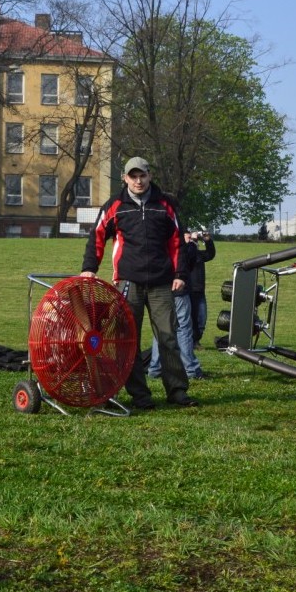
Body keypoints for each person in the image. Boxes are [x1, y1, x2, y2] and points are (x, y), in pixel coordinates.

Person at [81, 157, 198, 409]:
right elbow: (97, 236)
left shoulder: (165, 205)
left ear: (149, 175)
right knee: (128, 340)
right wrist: (89, 269)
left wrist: (180, 275)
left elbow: (177, 242)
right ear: (124, 178)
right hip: (127, 283)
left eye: (142, 175)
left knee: (168, 337)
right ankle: (140, 396)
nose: (138, 180)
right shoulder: (115, 206)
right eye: (132, 176)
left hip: (162, 283)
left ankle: (177, 392)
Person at [148, 229, 206, 379]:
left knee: (161, 329)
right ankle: (191, 369)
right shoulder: (181, 247)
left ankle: (155, 368)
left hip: (160, 290)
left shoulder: (158, 245)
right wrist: (192, 243)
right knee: (183, 329)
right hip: (179, 290)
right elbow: (189, 260)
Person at [187, 229, 216, 350]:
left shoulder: (198, 254)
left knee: (201, 319)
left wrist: (208, 240)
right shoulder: (184, 253)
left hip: (199, 291)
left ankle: (196, 341)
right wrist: (192, 240)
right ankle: (190, 343)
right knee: (189, 319)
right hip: (187, 291)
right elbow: (189, 255)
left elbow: (210, 254)